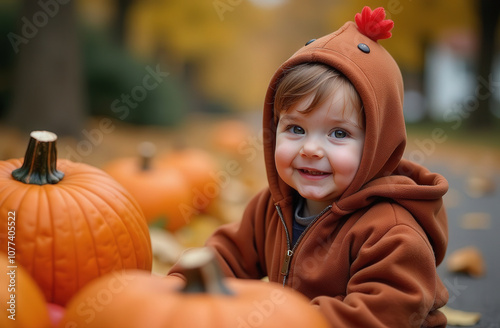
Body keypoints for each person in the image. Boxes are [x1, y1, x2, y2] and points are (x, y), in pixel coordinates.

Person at [168, 6, 449, 327]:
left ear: (378, 145)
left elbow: (382, 313)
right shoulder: (272, 207)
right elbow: (228, 254)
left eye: (339, 133)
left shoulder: (391, 232)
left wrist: (290, 320)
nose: (311, 149)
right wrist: (180, 285)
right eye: (296, 129)